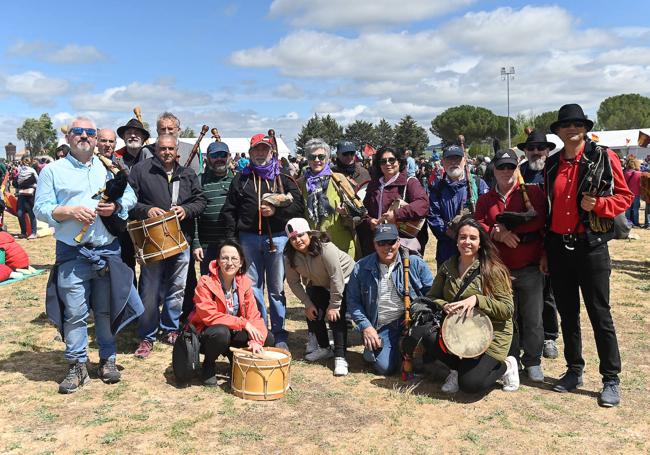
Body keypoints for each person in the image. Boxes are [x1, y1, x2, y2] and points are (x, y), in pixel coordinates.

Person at [34, 116, 142, 393]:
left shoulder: (109, 168)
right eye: (78, 132)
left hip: (107, 251)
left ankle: (108, 360)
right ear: (69, 137)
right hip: (73, 252)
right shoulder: (53, 171)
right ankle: (77, 365)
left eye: (89, 133)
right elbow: (41, 207)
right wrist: (68, 211)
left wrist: (116, 206)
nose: (84, 136)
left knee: (105, 312)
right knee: (75, 313)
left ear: (95, 139)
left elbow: (129, 196)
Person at [542, 104, 633, 407]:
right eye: (566, 125)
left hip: (591, 246)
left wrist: (599, 206)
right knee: (567, 313)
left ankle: (610, 378)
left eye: (578, 124)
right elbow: (547, 210)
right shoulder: (552, 164)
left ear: (584, 128)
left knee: (599, 314)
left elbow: (624, 197)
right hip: (558, 247)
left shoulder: (603, 156)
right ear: (558, 132)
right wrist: (545, 250)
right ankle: (574, 369)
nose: (572, 129)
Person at [222, 133, 304, 350]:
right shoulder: (241, 179)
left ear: (271, 152)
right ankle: (261, 331)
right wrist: (232, 240)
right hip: (248, 239)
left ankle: (279, 333)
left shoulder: (283, 178)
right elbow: (230, 210)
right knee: (253, 288)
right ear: (249, 153)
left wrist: (276, 210)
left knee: (276, 289)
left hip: (276, 238)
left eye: (264, 150)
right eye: (256, 150)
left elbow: (298, 208)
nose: (260, 154)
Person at [128, 135, 206, 358]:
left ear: (177, 151)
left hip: (181, 241)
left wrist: (186, 210)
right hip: (153, 241)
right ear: (155, 149)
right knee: (150, 290)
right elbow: (129, 201)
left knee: (178, 288)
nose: (167, 152)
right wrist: (146, 210)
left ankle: (170, 328)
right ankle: (147, 335)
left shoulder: (187, 173)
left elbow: (200, 201)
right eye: (162, 148)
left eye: (171, 148)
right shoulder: (141, 171)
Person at [420, 218, 517, 394]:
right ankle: (457, 369)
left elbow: (507, 309)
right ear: (456, 241)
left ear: (480, 243)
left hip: (492, 334)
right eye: (463, 237)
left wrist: (478, 300)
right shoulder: (448, 267)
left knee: (470, 384)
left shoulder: (492, 269)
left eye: (473, 238)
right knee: (426, 335)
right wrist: (445, 305)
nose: (467, 242)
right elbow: (432, 297)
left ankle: (507, 366)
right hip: (459, 332)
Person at [475, 149, 547, 382]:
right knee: (506, 317)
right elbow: (476, 225)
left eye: (511, 167)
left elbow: (547, 226)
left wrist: (546, 255)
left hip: (530, 265)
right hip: (499, 269)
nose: (506, 171)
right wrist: (496, 234)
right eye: (501, 167)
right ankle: (511, 359)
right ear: (493, 170)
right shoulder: (486, 199)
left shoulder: (534, 193)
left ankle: (533, 360)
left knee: (533, 316)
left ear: (518, 168)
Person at [347, 223, 433, 375]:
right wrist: (366, 327)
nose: (387, 247)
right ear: (374, 244)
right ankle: (397, 351)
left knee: (427, 363)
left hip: (411, 323)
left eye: (391, 242)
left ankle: (408, 352)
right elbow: (353, 302)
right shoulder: (360, 268)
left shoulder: (415, 263)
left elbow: (432, 295)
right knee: (384, 368)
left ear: (398, 242)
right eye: (381, 242)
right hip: (383, 325)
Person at [189, 240, 273, 386]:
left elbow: (253, 315)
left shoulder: (244, 282)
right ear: (218, 261)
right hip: (207, 333)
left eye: (234, 258)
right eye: (225, 258)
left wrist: (255, 341)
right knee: (221, 333)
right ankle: (208, 365)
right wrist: (243, 323)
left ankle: (235, 359)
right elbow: (209, 316)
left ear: (241, 262)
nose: (230, 262)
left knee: (267, 338)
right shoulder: (205, 282)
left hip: (232, 331)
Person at [283, 218, 355, 375]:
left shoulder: (325, 248)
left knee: (336, 315)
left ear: (309, 233)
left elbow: (337, 277)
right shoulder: (289, 256)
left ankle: (340, 356)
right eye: (293, 238)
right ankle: (324, 347)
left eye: (301, 235)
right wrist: (307, 304)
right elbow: (293, 282)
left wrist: (334, 305)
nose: (297, 240)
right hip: (321, 283)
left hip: (347, 280)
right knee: (313, 310)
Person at [517, 129, 560, 359]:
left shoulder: (555, 172)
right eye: (531, 148)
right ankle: (526, 335)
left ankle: (550, 336)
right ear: (525, 151)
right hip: (526, 244)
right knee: (525, 294)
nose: (535, 152)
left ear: (547, 150)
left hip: (550, 239)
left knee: (548, 293)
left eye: (540, 148)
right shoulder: (518, 173)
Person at [358, 147, 428, 256]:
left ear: (399, 162)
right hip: (376, 244)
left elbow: (423, 204)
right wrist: (369, 221)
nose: (388, 164)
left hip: (400, 245)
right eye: (383, 161)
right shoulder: (373, 185)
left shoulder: (409, 183)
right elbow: (364, 210)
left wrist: (396, 214)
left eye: (391, 160)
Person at [428, 145, 489, 265]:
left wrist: (471, 236)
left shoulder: (478, 184)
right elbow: (433, 217)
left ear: (464, 161)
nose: (454, 162)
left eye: (457, 159)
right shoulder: (437, 189)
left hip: (475, 251)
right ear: (443, 162)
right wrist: (452, 234)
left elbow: (487, 214)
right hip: (447, 251)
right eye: (449, 159)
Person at [297, 138, 357, 257]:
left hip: (340, 245)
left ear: (328, 158)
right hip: (315, 246)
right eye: (312, 157)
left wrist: (345, 213)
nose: (317, 160)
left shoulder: (339, 179)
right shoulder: (301, 183)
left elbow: (357, 213)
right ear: (307, 159)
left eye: (321, 156)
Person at [113, 118, 152, 274]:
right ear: (124, 137)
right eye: (129, 133)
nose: (133, 136)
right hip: (125, 219)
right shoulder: (116, 160)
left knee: (150, 266)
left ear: (143, 138)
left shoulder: (154, 158)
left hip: (148, 217)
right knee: (126, 264)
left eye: (137, 133)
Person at [192, 141, 236, 276]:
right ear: (208, 159)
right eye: (215, 155)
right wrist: (196, 244)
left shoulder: (237, 180)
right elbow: (194, 215)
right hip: (207, 245)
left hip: (232, 243)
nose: (219, 159)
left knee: (231, 283)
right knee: (209, 283)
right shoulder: (200, 181)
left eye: (222, 155)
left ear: (229, 157)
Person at [15, 156, 38, 239]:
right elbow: (17, 181)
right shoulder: (20, 171)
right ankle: (23, 232)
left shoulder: (32, 171)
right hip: (21, 194)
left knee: (31, 213)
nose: (26, 162)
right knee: (20, 214)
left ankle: (34, 232)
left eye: (27, 160)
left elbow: (38, 181)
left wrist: (31, 185)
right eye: (25, 160)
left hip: (30, 195)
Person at [623, 156, 642, 227]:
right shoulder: (639, 173)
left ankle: (628, 223)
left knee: (628, 209)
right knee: (635, 209)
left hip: (627, 194)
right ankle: (636, 222)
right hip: (637, 194)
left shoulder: (625, 173)